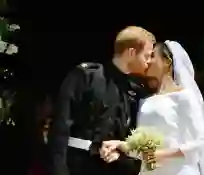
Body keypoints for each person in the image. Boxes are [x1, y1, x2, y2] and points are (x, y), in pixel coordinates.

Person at [102, 41, 204, 175]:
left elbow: (201, 141)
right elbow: (145, 151)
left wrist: (162, 155)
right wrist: (121, 145)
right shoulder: (145, 100)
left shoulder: (183, 96)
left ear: (167, 62)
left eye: (152, 56)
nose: (148, 61)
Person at [48, 26, 155, 175]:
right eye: (147, 55)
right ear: (131, 52)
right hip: (78, 166)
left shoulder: (135, 91)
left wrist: (121, 156)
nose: (149, 62)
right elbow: (60, 129)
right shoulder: (86, 76)